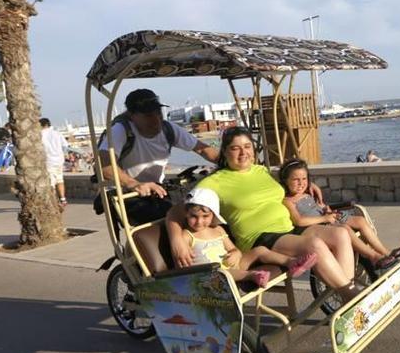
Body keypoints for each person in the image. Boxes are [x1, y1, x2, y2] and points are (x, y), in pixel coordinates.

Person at [166, 127, 363, 302]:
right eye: (235, 148)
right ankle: (351, 296)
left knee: (341, 234)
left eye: (247, 146)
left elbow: (286, 183)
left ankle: (346, 292)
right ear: (225, 152)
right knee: (314, 246)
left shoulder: (261, 171)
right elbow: (177, 210)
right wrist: (177, 240)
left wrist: (306, 186)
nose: (243, 152)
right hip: (260, 238)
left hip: (290, 228)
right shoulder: (214, 182)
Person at [96, 89, 220, 225]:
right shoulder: (121, 130)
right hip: (127, 193)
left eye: (158, 113)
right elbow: (104, 166)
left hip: (157, 190)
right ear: (132, 115)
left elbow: (203, 150)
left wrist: (230, 162)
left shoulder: (169, 129)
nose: (156, 119)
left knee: (196, 215)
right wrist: (134, 184)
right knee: (172, 223)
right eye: (148, 115)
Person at [279, 158, 400, 271]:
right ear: (286, 181)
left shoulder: (308, 193)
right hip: (317, 225)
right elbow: (299, 221)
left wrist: (325, 209)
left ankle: (386, 253)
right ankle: (374, 257)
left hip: (327, 217)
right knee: (345, 229)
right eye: (296, 180)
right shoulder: (288, 201)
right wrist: (324, 217)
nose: (301, 183)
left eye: (304, 179)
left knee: (360, 220)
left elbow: (317, 206)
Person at [178, 186, 318, 288]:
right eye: (193, 216)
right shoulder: (187, 236)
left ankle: (291, 262)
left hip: (232, 265)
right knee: (222, 272)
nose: (199, 221)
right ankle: (252, 276)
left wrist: (235, 254)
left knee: (260, 250)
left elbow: (235, 250)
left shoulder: (218, 230)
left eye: (205, 216)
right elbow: (182, 263)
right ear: (186, 214)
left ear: (213, 215)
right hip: (211, 276)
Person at [40, 118, 69, 209]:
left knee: (51, 183)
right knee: (60, 180)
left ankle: (53, 202)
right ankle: (63, 199)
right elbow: (65, 146)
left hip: (48, 161)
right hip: (59, 160)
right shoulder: (57, 133)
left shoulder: (40, 135)